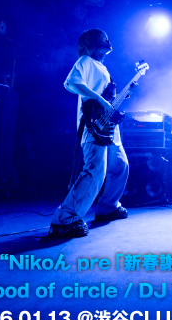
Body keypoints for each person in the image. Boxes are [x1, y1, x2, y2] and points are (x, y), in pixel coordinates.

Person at [48, 29, 130, 238]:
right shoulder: (85, 61)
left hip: (109, 126)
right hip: (94, 126)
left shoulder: (103, 68)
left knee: (120, 165)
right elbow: (71, 83)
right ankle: (64, 219)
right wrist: (100, 100)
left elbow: (106, 100)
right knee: (95, 172)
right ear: (92, 42)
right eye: (103, 37)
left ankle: (108, 207)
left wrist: (120, 97)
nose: (108, 39)